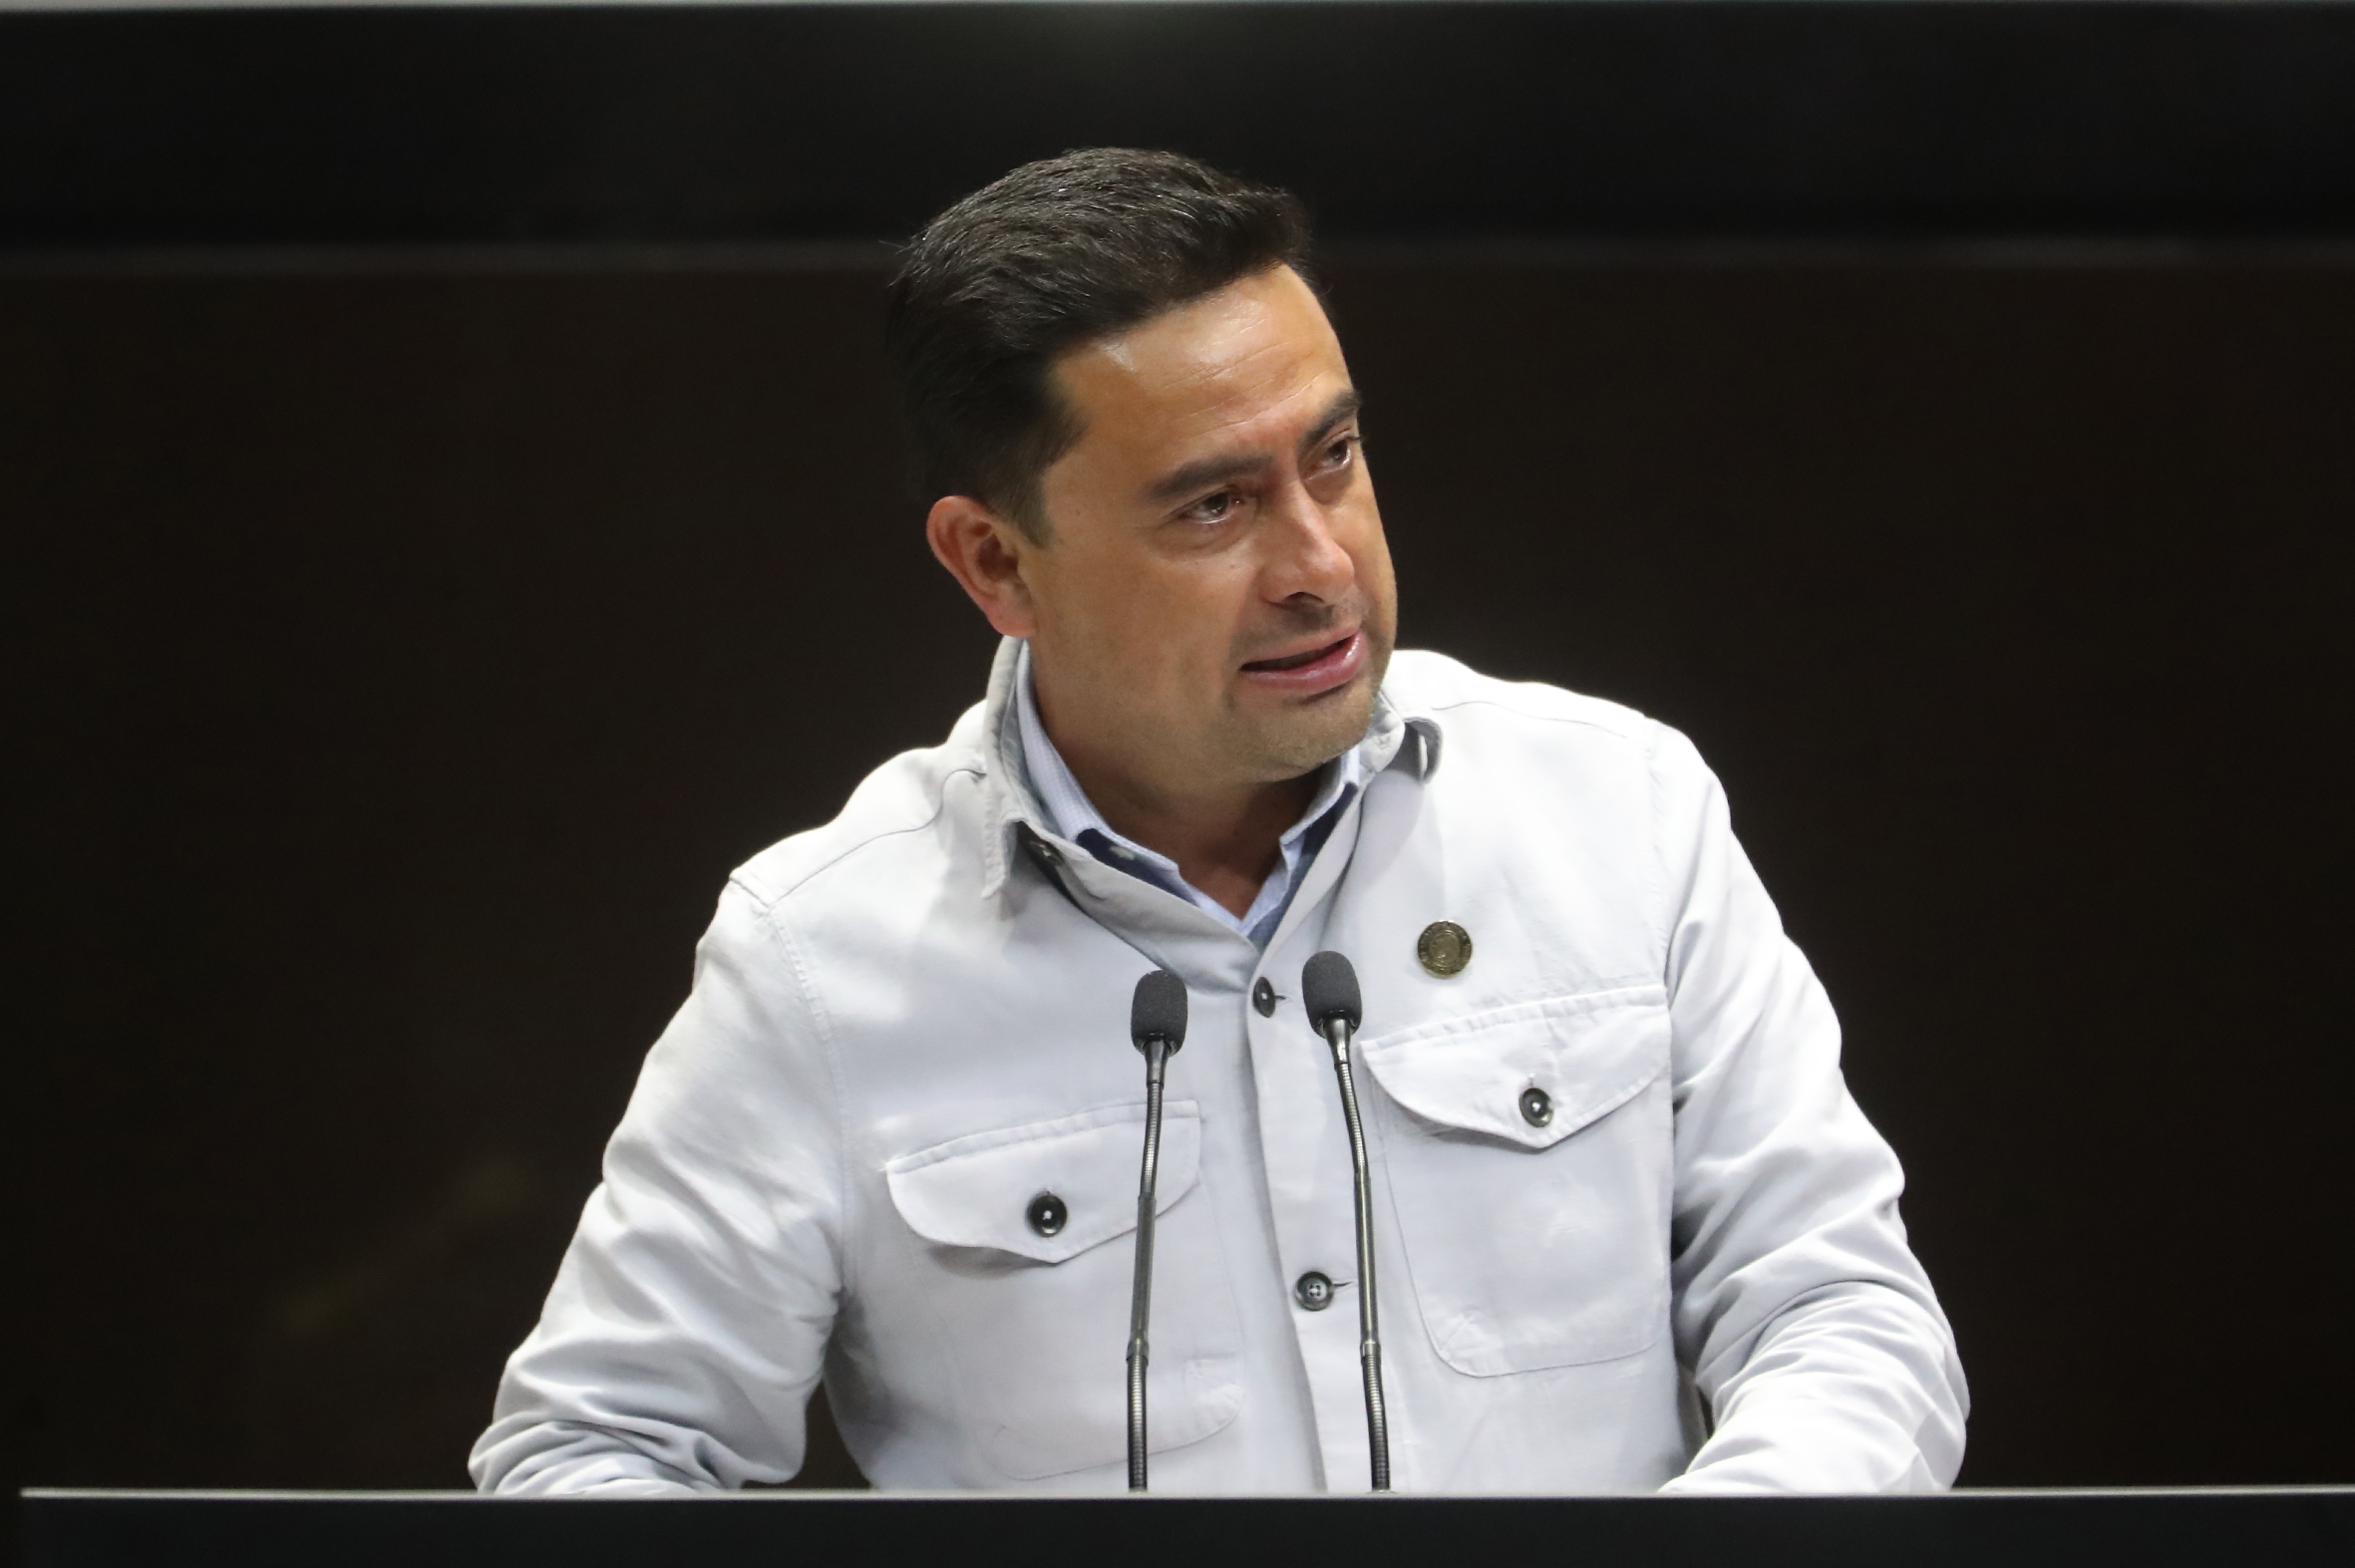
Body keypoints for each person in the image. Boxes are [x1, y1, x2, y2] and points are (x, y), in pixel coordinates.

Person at [471, 149, 1966, 1496]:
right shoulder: (821, 959)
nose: (1320, 565)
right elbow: (592, 1448)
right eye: (1213, 507)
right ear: (995, 562)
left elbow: (1840, 1311)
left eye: (1334, 456)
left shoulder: (1615, 809)